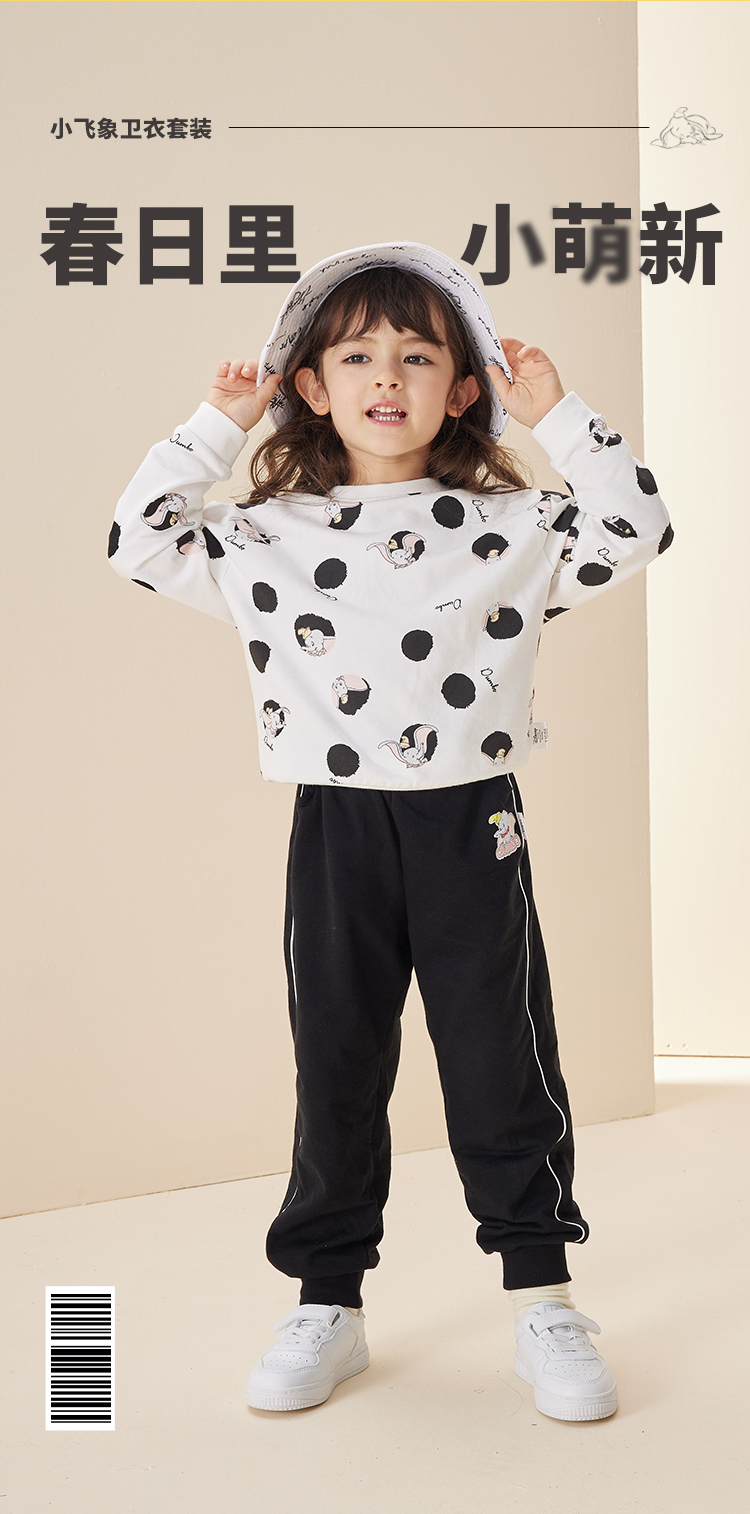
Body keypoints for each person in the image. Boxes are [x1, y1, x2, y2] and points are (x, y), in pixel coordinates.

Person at [109, 242, 671, 1423]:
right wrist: (217, 425)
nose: (387, 377)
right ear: (310, 384)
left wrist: (558, 414)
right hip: (337, 821)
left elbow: (638, 525)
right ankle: (328, 1299)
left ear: (462, 388)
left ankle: (542, 1295)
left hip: (474, 816)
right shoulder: (270, 533)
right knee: (337, 1055)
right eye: (357, 355)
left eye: (418, 356)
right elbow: (138, 539)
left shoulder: (513, 524)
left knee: (500, 1057)